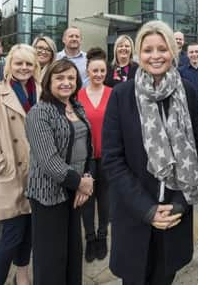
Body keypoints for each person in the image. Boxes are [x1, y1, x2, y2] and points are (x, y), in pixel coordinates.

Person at [103, 20, 198, 285]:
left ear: (173, 51)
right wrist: (147, 209)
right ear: (139, 53)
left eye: (162, 48)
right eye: (148, 50)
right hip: (135, 215)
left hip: (174, 215)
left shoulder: (188, 93)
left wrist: (180, 204)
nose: (155, 56)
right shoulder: (121, 95)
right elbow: (113, 161)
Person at [0, 44, 41, 285]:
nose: (24, 68)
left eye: (28, 64)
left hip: (38, 176)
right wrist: (0, 163)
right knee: (12, 235)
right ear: (9, 65)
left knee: (30, 232)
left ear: (35, 67)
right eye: (18, 63)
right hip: (10, 174)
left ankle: (22, 275)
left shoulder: (42, 92)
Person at [25, 59, 95, 285]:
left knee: (73, 253)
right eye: (60, 78)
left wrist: (88, 177)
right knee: (51, 259)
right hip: (49, 195)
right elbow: (48, 161)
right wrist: (81, 184)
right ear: (48, 82)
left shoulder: (78, 106)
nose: (66, 83)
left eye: (71, 78)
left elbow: (89, 148)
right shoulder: (39, 113)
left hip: (75, 192)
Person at [78, 48, 113, 262]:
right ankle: (90, 238)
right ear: (87, 72)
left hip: (108, 155)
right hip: (86, 157)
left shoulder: (112, 93)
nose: (98, 74)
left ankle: (102, 236)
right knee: (87, 199)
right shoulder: (78, 95)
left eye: (102, 70)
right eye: (94, 71)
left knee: (105, 198)